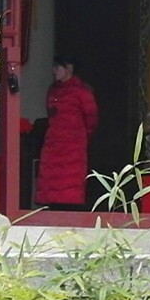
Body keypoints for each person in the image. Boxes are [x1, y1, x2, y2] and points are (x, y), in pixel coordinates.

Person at [28, 58, 98, 210]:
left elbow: (91, 119)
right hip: (53, 141)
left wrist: (81, 137)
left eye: (57, 67)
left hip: (73, 144)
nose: (54, 71)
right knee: (51, 182)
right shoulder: (52, 90)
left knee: (70, 184)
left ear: (69, 68)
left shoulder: (82, 92)